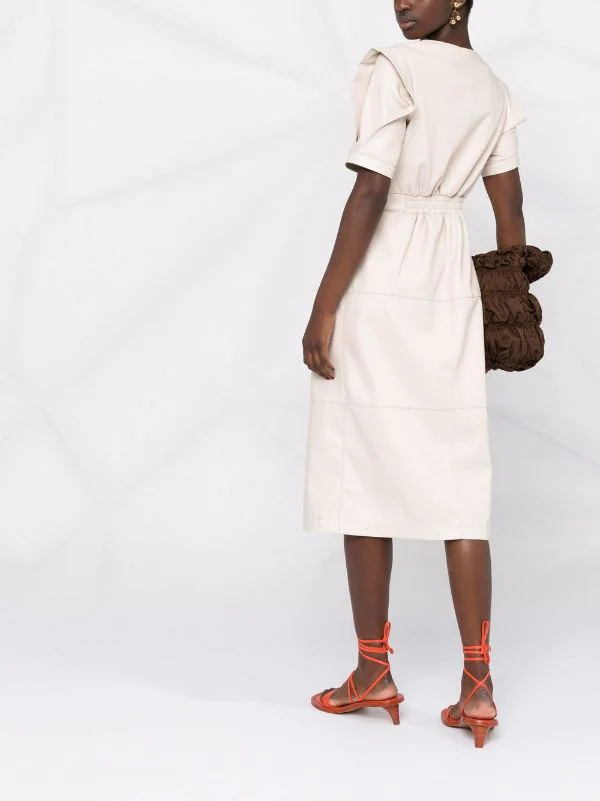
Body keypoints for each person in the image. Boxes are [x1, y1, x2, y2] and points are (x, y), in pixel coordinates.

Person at [301, 0, 527, 748]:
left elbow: (371, 191)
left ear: (460, 0)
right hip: (450, 284)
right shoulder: (492, 87)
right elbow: (510, 213)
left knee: (363, 468)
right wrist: (507, 305)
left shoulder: (392, 69)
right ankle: (478, 687)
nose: (401, 3)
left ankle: (373, 669)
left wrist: (325, 305)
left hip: (382, 277)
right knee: (461, 483)